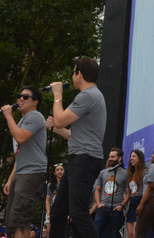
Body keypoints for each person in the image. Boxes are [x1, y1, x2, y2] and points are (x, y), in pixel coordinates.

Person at [49, 57, 107, 238]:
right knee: (58, 212)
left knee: (79, 213)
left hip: (84, 159)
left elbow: (59, 119)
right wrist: (57, 130)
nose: (72, 76)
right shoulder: (92, 96)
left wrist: (58, 95)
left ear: (79, 74)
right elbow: (74, 134)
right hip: (79, 158)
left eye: (73, 72)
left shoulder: (87, 95)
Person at [1, 86, 47, 238]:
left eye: (25, 97)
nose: (20, 99)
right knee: (13, 220)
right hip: (21, 173)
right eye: (19, 96)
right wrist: (10, 179)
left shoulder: (35, 116)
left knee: (21, 219)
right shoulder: (21, 121)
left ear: (35, 102)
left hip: (31, 173)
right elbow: (19, 155)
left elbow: (21, 138)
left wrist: (8, 116)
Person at [94, 147, 129, 238]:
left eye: (113, 157)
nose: (110, 159)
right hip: (103, 208)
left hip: (116, 210)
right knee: (96, 232)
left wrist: (121, 205)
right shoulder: (103, 173)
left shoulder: (125, 173)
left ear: (119, 158)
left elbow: (128, 193)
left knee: (115, 235)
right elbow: (97, 190)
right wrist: (98, 204)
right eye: (109, 157)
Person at [126, 150, 146, 238]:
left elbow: (147, 189)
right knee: (130, 234)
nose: (131, 158)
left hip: (140, 201)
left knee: (135, 234)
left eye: (134, 156)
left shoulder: (145, 171)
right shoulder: (131, 173)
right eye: (131, 156)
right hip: (131, 203)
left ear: (140, 158)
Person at [45, 163, 65, 235]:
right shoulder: (50, 185)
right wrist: (48, 213)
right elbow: (47, 200)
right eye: (57, 170)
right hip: (52, 211)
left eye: (61, 169)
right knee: (50, 233)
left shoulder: (67, 184)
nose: (60, 171)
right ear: (54, 173)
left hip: (62, 211)